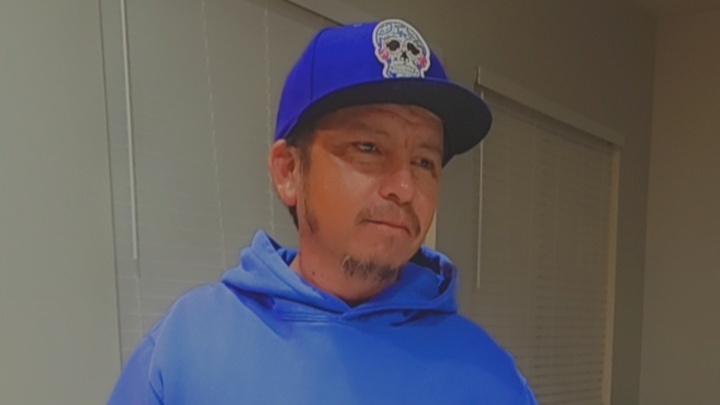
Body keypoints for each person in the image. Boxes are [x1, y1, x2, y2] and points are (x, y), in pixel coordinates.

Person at [108, 18, 538, 405]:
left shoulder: (490, 377)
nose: (405, 187)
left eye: (425, 161)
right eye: (369, 147)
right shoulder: (187, 351)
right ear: (289, 171)